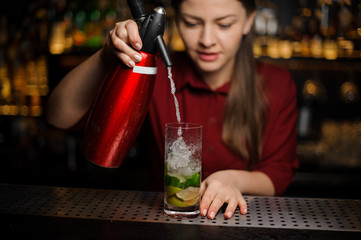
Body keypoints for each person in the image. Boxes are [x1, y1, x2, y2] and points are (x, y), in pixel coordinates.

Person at [46, 0, 299, 220]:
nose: (207, 40)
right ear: (177, 20)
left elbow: (277, 173)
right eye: (191, 23)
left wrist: (233, 181)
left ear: (249, 21)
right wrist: (106, 55)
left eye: (224, 25)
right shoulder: (152, 73)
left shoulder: (276, 84)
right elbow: (58, 116)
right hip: (163, 220)